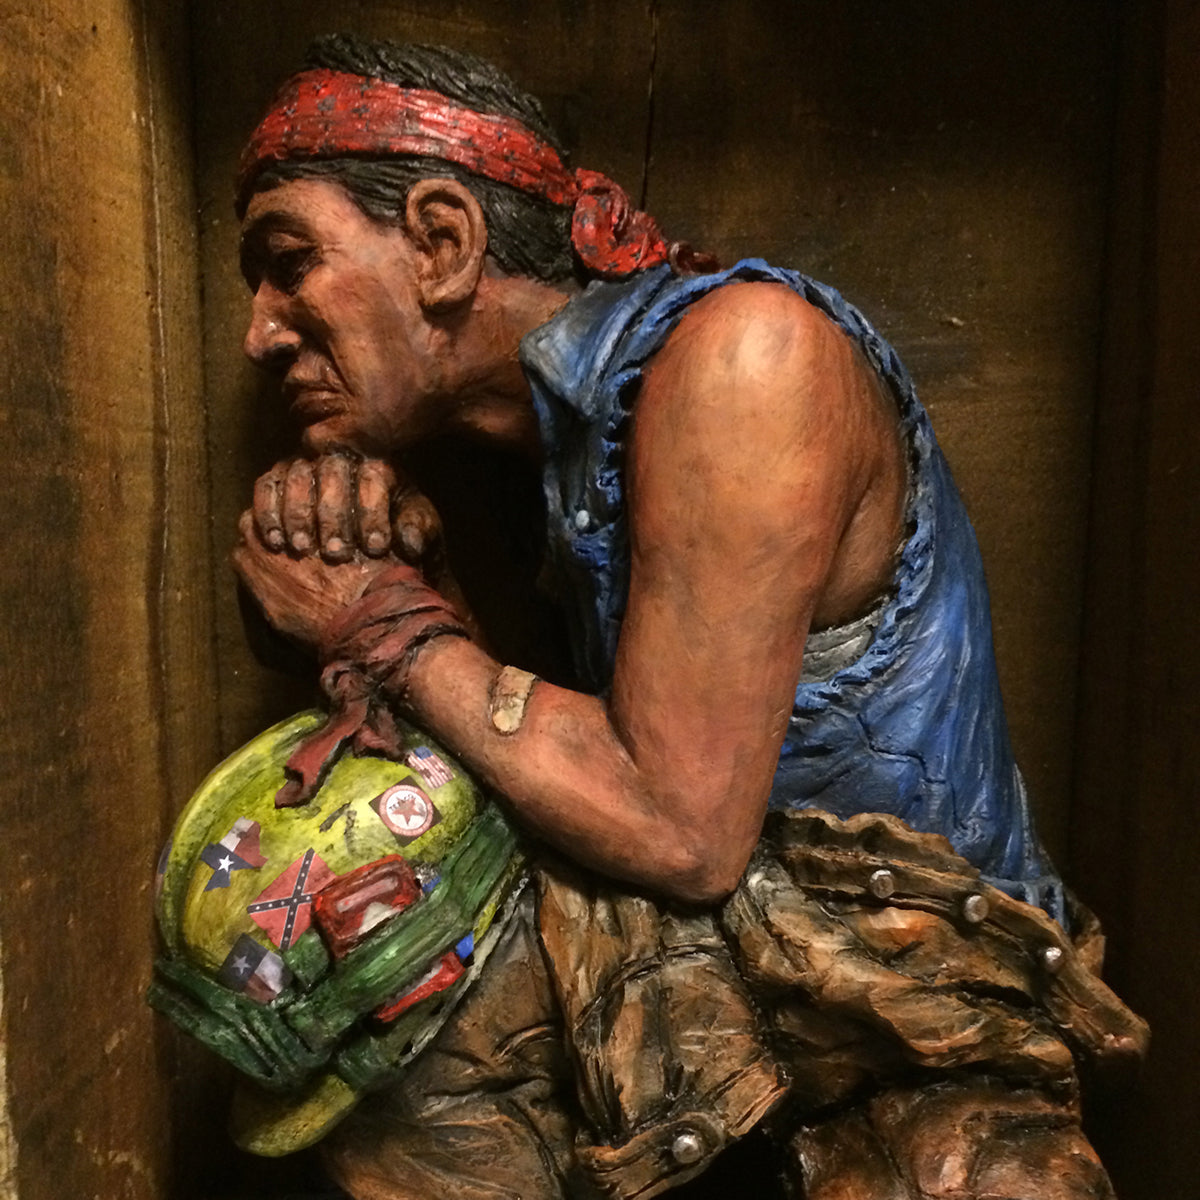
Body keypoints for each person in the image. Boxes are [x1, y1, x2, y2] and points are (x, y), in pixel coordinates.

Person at [230, 35, 1145, 1200]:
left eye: (288, 262)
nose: (261, 332)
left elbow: (682, 826)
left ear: (444, 243)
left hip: (922, 1000)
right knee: (351, 1008)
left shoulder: (741, 365)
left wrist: (389, 625)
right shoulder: (550, 444)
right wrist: (394, 581)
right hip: (721, 981)